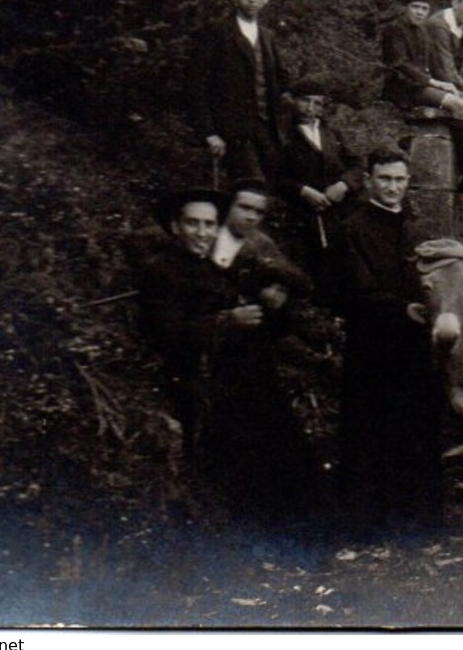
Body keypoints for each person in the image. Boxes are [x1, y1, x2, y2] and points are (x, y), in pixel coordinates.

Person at [328, 149, 443, 535]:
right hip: (372, 342)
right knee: (370, 428)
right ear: (370, 180)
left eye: (400, 180)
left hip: (412, 342)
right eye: (385, 179)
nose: (393, 187)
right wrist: (399, 309)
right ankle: (369, 519)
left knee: (414, 423)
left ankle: (415, 515)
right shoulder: (352, 226)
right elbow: (351, 289)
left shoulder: (414, 225)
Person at [205, 181, 318, 520]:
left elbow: (298, 284)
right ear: (229, 208)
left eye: (258, 211)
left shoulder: (261, 244)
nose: (251, 216)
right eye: (244, 208)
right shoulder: (206, 236)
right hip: (214, 346)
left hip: (254, 347)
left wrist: (277, 294)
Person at [133, 187, 234, 464]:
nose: (202, 233)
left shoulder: (216, 267)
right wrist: (228, 320)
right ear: (176, 227)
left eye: (209, 224)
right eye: (193, 223)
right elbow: (169, 333)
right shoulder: (160, 270)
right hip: (183, 378)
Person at [184, 0, 289, 183]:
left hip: (267, 131)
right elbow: (196, 86)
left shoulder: (268, 36)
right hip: (232, 133)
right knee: (250, 187)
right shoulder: (216, 32)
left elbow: (279, 83)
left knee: (276, 186)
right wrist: (209, 133)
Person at [276, 76, 362, 291]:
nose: (310, 108)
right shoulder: (282, 135)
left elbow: (357, 165)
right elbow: (276, 176)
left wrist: (343, 185)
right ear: (293, 101)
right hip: (303, 214)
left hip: (340, 212)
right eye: (305, 101)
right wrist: (303, 191)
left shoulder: (332, 133)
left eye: (317, 103)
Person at [380, 0, 463, 120]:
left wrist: (446, 83)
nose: (420, 12)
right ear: (405, 7)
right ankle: (452, 138)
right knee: (457, 104)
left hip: (423, 86)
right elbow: (400, 64)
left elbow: (435, 65)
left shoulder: (423, 31)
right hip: (404, 89)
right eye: (415, 7)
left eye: (424, 9)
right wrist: (433, 82)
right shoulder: (394, 30)